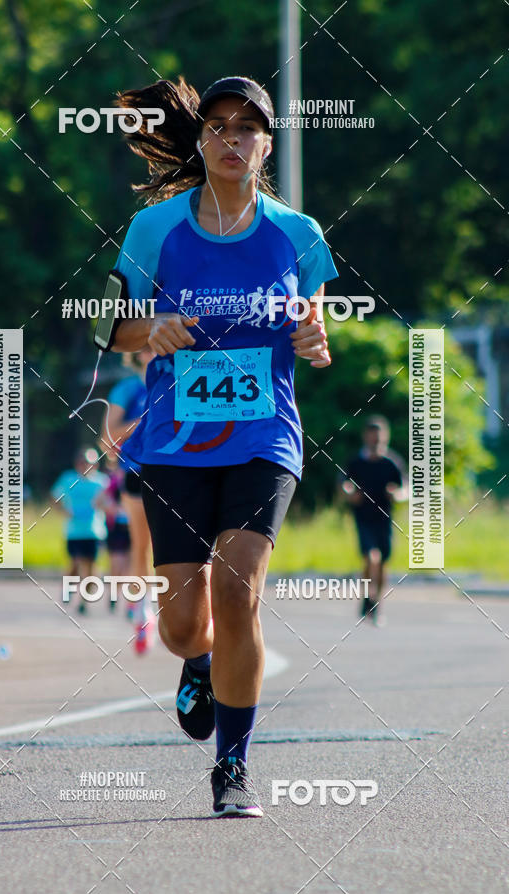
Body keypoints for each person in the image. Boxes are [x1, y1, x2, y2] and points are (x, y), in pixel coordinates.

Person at [109, 75, 338, 816]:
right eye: (219, 127)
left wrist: (315, 340)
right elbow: (110, 329)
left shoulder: (298, 234)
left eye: (247, 128)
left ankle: (232, 768)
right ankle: (199, 662)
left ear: (266, 144)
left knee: (239, 591)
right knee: (183, 626)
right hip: (174, 442)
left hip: (264, 437)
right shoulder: (155, 230)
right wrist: (151, 329)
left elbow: (311, 325)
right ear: (203, 139)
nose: (232, 139)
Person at [101, 350, 156, 652]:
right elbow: (107, 439)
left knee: (183, 546)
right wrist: (150, 418)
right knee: (141, 546)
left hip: (182, 471)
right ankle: (143, 613)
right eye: (145, 345)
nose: (152, 350)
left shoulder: (181, 377)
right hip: (137, 472)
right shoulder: (128, 389)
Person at [341, 416, 407, 624]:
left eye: (379, 436)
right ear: (366, 436)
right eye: (372, 436)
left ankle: (374, 602)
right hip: (363, 518)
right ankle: (367, 597)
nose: (376, 440)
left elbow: (405, 488)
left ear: (386, 437)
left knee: (383, 562)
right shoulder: (356, 461)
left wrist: (396, 494)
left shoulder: (392, 462)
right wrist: (350, 493)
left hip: (385, 519)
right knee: (372, 558)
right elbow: (343, 483)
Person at [51, 448, 109, 615]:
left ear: (95, 464)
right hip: (74, 532)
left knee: (90, 568)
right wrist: (63, 511)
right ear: (77, 463)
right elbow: (54, 497)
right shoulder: (68, 479)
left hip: (94, 531)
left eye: (89, 463)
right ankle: (68, 587)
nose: (85, 466)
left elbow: (109, 502)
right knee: (76, 564)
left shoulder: (102, 482)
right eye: (82, 462)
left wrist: (103, 504)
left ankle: (84, 601)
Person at [95, 457, 131, 614]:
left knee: (129, 569)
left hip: (133, 529)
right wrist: (113, 509)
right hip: (116, 529)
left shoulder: (137, 477)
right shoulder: (111, 481)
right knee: (116, 567)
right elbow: (98, 502)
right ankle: (113, 595)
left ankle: (131, 604)